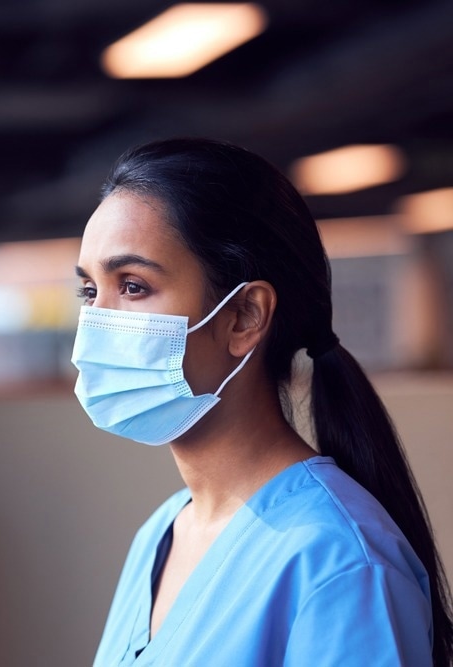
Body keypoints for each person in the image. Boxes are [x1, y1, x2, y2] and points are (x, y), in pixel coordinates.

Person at [70, 138, 453, 666]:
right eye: (90, 291)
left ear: (245, 316)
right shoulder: (162, 534)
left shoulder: (340, 561)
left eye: (133, 286)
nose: (97, 322)